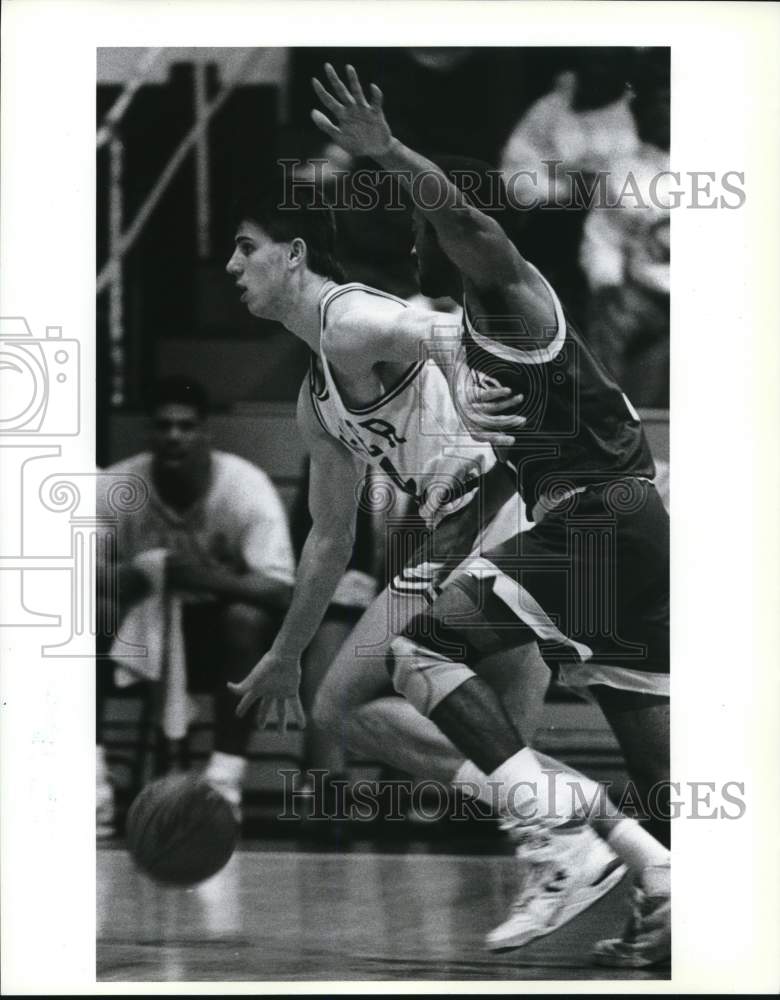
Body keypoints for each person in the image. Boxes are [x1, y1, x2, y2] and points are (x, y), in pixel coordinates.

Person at [304, 64, 671, 967]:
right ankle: (673, 896)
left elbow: (464, 218)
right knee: (658, 766)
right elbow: (514, 457)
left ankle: (556, 838)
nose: (420, 243)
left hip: (599, 519)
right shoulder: (479, 336)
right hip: (623, 523)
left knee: (419, 653)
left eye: (426, 225)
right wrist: (465, 504)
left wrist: (387, 150)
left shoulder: (511, 290)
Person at [224, 154, 627, 948]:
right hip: (504, 521)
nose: (233, 267)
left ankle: (567, 841)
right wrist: (283, 653)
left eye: (245, 247)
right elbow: (330, 537)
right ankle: (643, 862)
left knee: (343, 707)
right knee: (504, 753)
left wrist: (465, 382)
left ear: (294, 255)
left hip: (488, 508)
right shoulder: (316, 400)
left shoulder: (344, 318)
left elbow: (441, 328)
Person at [95, 376, 295, 833]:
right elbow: (67, 575)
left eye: (185, 426)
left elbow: (280, 590)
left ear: (206, 433)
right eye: (163, 425)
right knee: (80, 619)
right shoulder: (116, 485)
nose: (174, 436)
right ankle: (90, 780)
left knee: (245, 621)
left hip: (214, 638)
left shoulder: (244, 485)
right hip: (135, 632)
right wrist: (128, 576)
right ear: (148, 432)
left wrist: (202, 577)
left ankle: (224, 782)